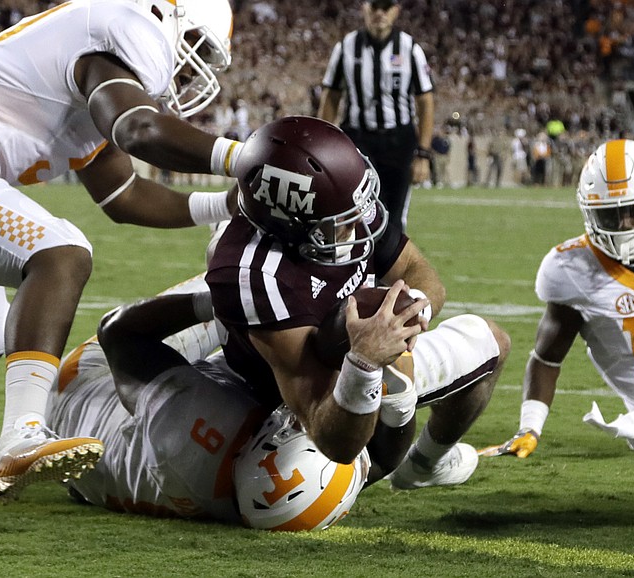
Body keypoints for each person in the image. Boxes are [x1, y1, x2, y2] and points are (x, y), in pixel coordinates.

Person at [0, 0, 247, 499]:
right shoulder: (123, 28)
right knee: (63, 252)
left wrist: (226, 203)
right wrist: (247, 157)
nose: (189, 66)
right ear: (165, 15)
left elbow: (125, 196)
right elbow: (141, 130)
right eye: (196, 45)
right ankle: (20, 434)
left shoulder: (95, 72)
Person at [206, 116, 511, 490]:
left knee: (493, 341)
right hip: (294, 410)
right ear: (291, 223)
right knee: (290, 496)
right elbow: (334, 440)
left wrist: (410, 312)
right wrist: (366, 362)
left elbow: (417, 269)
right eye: (342, 222)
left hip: (366, 352)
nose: (359, 226)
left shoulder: (340, 205)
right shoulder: (256, 273)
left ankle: (426, 464)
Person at [47, 275, 371, 531]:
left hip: (81, 394)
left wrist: (219, 304)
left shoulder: (197, 434)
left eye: (296, 429)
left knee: (249, 287)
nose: (296, 420)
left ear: (269, 441)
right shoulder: (260, 497)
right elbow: (383, 449)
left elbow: (118, 333)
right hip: (96, 477)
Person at [486, 139, 634, 459]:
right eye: (611, 215)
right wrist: (529, 428)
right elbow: (547, 358)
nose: (625, 225)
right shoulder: (572, 271)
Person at [317, 0, 435, 231]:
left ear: (396, 11)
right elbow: (331, 95)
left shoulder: (410, 48)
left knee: (394, 216)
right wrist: (324, 144)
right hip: (358, 139)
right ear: (364, 9)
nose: (380, 13)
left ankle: (389, 266)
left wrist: (423, 153)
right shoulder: (346, 47)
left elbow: (425, 101)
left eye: (386, 6)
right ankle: (357, 266)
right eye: (375, 7)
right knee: (354, 212)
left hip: (398, 141)